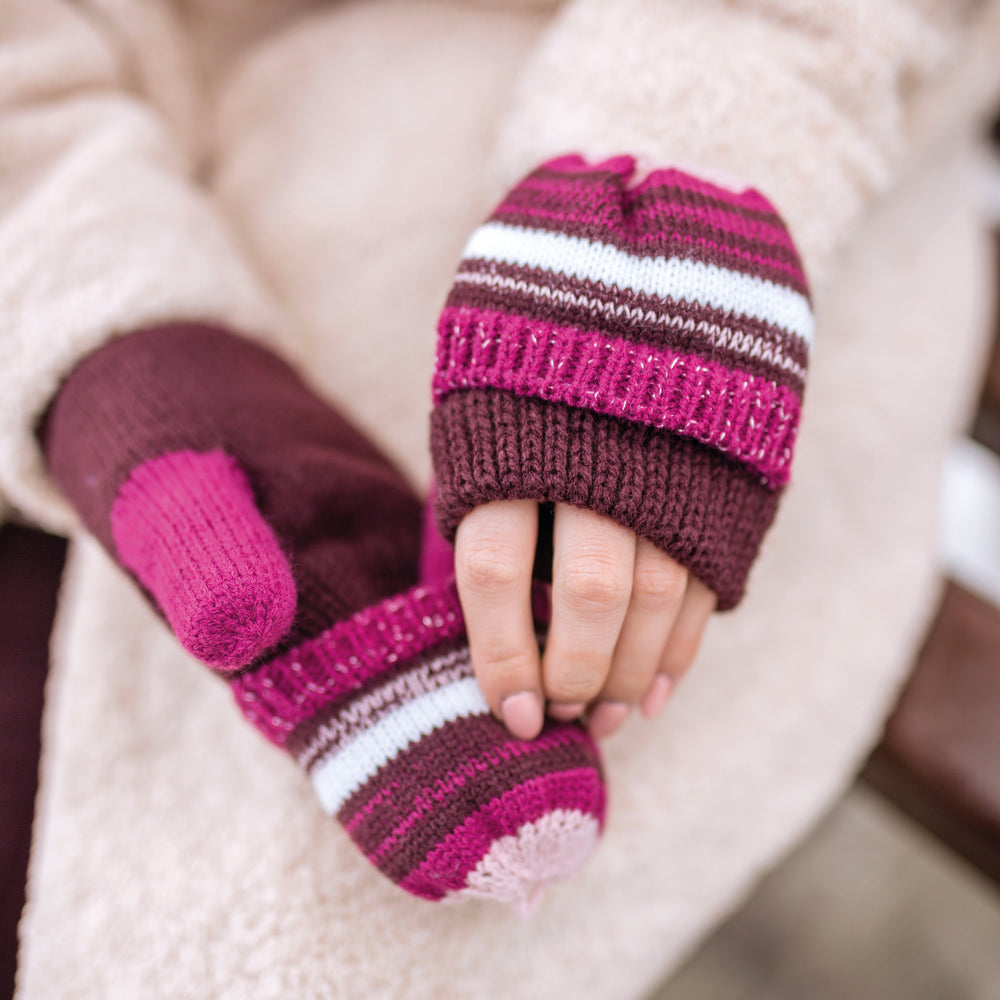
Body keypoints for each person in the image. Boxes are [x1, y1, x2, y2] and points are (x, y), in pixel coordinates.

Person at [4, 1, 999, 996]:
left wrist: (658, 194)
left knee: (295, 933)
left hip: (738, 104)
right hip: (161, 126)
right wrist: (110, 330)